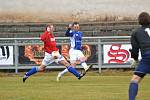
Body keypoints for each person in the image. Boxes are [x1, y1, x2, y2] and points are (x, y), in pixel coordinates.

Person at [128, 12, 150, 100]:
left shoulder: (136, 32)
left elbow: (135, 49)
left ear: (139, 21)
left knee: (135, 79)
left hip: (147, 57)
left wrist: (135, 60)